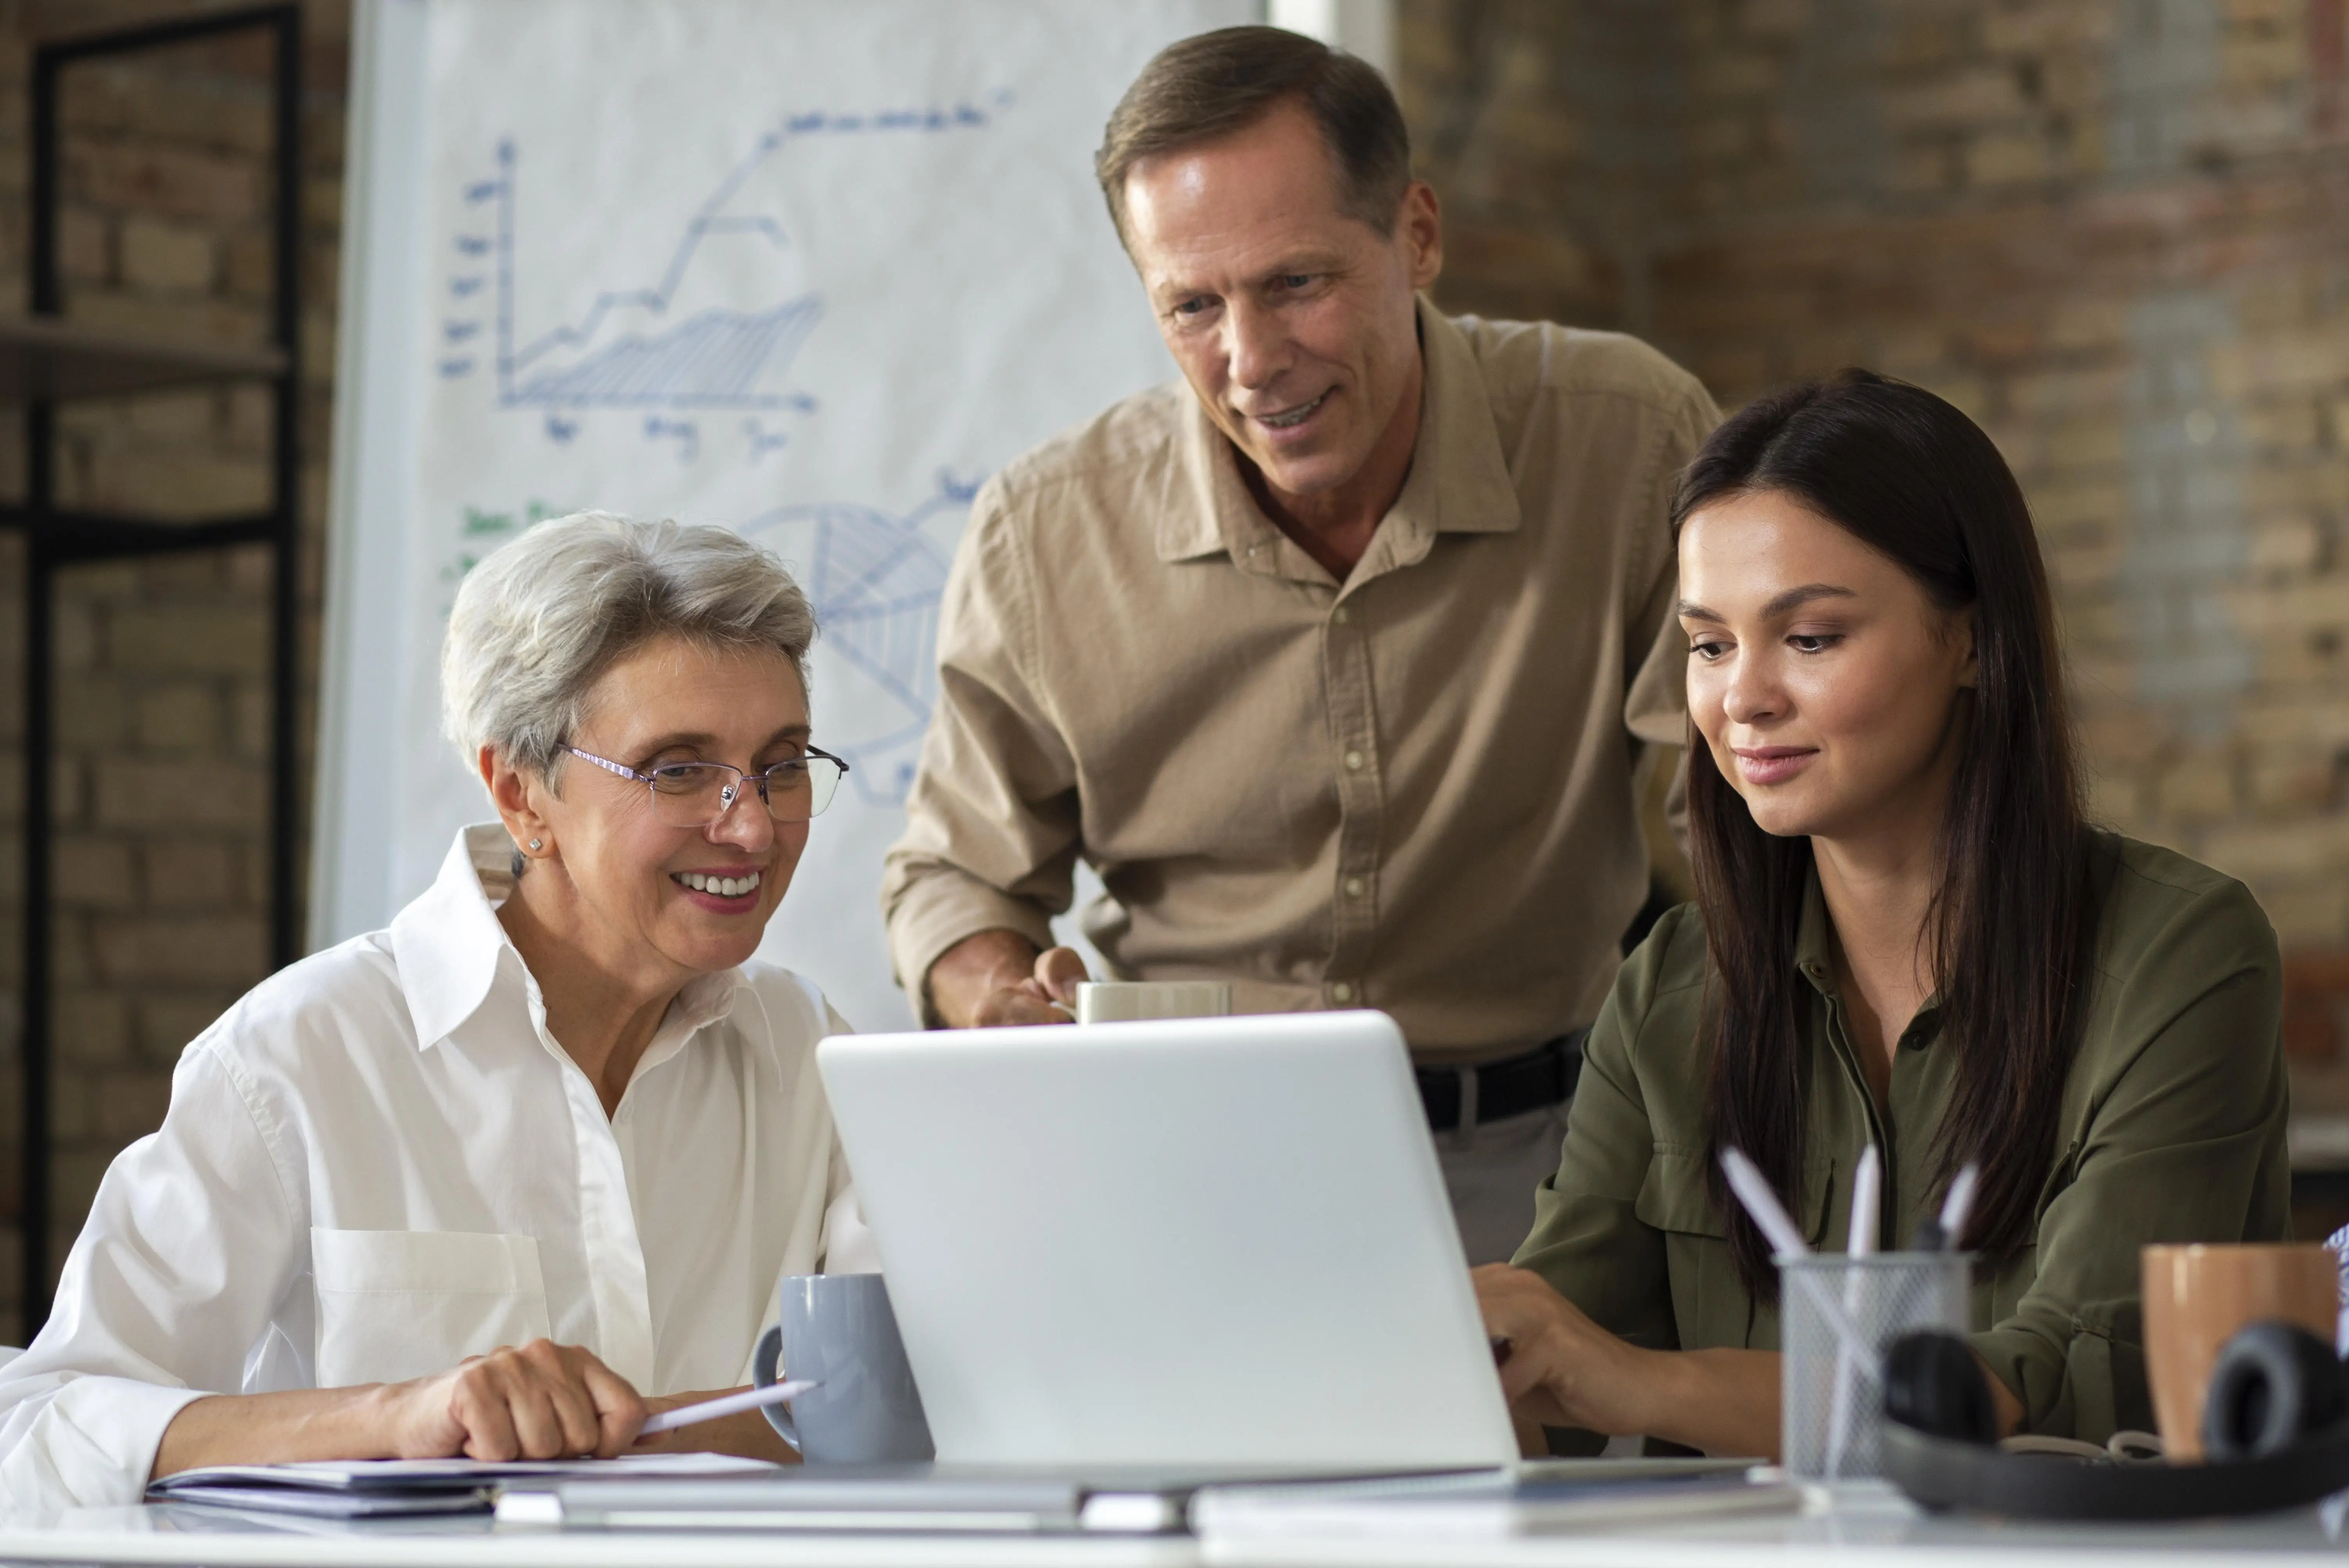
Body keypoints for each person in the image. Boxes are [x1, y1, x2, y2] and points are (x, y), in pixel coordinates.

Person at [880, 25, 1720, 1265]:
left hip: (1549, 1165)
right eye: (1193, 305)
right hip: (1170, 1159)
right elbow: (950, 877)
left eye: (1296, 284)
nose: (1253, 361)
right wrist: (990, 993)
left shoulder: (1625, 436)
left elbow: (1748, 797)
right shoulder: (1046, 529)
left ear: (1417, 237)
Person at [1474, 371, 2288, 1457]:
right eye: (1710, 643)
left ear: (1972, 643)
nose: (1742, 696)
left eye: (1809, 638)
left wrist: (1634, 1385)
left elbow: (2051, 1374)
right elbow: (1551, 1358)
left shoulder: (2181, 955)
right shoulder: (1672, 981)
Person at [0, 514, 873, 1511]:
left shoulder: (811, 1052)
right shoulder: (300, 1054)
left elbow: (909, 1397)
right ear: (520, 793)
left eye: (782, 763)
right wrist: (398, 1417)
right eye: (678, 769)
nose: (753, 823)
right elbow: (34, 1426)